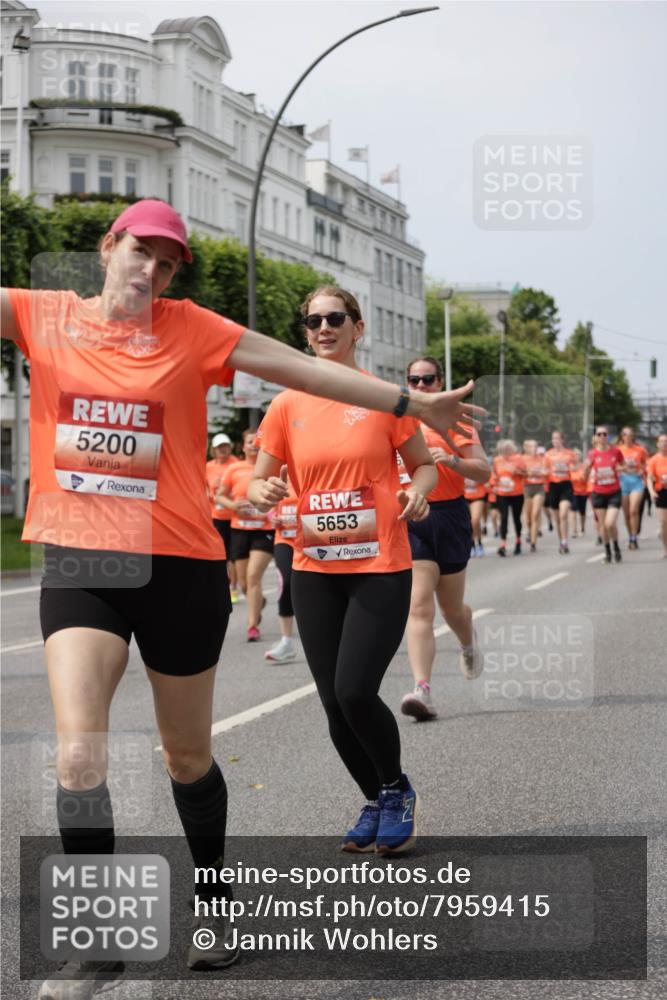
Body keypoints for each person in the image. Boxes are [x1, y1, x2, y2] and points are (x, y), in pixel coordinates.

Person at [0, 201, 481, 997]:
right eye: (139, 252)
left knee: (185, 755)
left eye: (166, 261)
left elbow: (300, 370)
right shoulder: (40, 315)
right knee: (78, 752)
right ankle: (97, 946)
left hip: (182, 567)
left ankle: (215, 903)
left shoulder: (190, 328)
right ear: (106, 248)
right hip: (85, 563)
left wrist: (406, 403)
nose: (150, 270)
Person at [248, 285, 440, 856]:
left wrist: (420, 494)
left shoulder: (386, 398)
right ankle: (379, 795)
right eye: (313, 320)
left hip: (380, 563)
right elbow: (260, 477)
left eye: (335, 318)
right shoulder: (287, 404)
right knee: (332, 700)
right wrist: (265, 488)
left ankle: (396, 790)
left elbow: (423, 467)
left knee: (356, 689)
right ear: (305, 331)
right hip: (314, 565)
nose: (323, 327)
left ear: (359, 327)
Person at [399, 356, 490, 722]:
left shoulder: (454, 421)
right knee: (419, 606)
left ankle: (468, 643)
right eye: (414, 380)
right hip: (411, 516)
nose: (421, 386)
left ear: (440, 382)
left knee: (452, 609)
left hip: (450, 517)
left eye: (428, 379)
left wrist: (450, 461)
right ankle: (423, 690)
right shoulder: (396, 419)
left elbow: (483, 471)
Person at [217, 429, 274, 641]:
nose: (254, 446)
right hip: (239, 529)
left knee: (253, 576)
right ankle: (257, 600)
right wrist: (233, 505)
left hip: (264, 531)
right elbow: (220, 495)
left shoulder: (272, 468)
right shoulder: (235, 468)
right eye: (251, 442)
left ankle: (252, 626)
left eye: (258, 442)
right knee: (243, 583)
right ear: (244, 446)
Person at [265, 476, 299, 662]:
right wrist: (273, 518)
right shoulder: (280, 477)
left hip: (310, 539)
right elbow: (268, 506)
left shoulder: (310, 472)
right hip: (284, 539)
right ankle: (286, 641)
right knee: (285, 582)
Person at [583, 426, 626, 563]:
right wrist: (586, 469)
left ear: (608, 436)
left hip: (614, 491)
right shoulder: (592, 454)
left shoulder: (615, 452)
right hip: (598, 492)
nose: (602, 436)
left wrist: (620, 468)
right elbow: (585, 473)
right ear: (595, 437)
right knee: (602, 524)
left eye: (604, 434)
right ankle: (608, 552)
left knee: (609, 523)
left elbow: (624, 465)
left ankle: (616, 547)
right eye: (599, 434)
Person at [206, 432, 239, 602]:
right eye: (220, 447)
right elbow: (203, 488)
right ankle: (224, 586)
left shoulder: (236, 465)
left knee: (232, 556)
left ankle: (233, 588)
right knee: (221, 554)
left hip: (234, 516)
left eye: (226, 446)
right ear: (214, 450)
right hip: (216, 517)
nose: (223, 450)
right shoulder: (208, 467)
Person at [493, 440, 526, 556]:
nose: (505, 453)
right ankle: (503, 545)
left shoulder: (518, 459)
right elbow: (495, 474)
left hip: (516, 493)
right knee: (504, 518)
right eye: (502, 450)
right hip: (502, 494)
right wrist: (494, 484)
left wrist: (516, 471)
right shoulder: (497, 460)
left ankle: (518, 541)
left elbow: (526, 474)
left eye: (507, 450)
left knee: (516, 518)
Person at [617, 427, 648, 549]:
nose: (627, 437)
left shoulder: (640, 450)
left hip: (636, 481)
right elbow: (615, 467)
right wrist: (623, 468)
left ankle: (634, 538)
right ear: (622, 436)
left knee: (633, 510)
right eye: (625, 434)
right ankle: (630, 535)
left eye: (629, 434)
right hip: (623, 481)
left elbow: (647, 464)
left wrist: (642, 470)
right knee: (626, 514)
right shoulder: (618, 450)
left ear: (633, 436)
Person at [545, 430, 575, 554]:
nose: (555, 441)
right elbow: (545, 470)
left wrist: (571, 468)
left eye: (557, 438)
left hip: (566, 485)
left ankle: (564, 541)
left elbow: (573, 467)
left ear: (562, 440)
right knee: (557, 518)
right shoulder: (548, 455)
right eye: (553, 439)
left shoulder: (569, 454)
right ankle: (561, 540)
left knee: (563, 515)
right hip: (553, 486)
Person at [522, 438, 547, 552]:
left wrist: (540, 472)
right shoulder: (522, 459)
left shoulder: (542, 459)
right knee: (528, 518)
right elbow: (518, 472)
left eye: (536, 446)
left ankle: (533, 542)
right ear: (526, 448)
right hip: (526, 488)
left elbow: (547, 471)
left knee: (535, 514)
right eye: (532, 446)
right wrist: (527, 473)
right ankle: (529, 531)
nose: (535, 449)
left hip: (539, 487)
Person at [647, 433, 667, 558]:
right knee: (663, 522)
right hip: (661, 492)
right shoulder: (654, 460)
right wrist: (651, 492)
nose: (664, 443)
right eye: (662, 441)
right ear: (657, 444)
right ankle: (666, 549)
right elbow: (649, 478)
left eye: (666, 441)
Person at [569, 448, 590, 538]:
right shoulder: (569, 467)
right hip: (573, 492)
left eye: (577, 455)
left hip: (583, 492)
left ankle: (582, 528)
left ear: (580, 457)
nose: (575, 457)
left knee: (582, 511)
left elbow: (587, 478)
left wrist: (583, 478)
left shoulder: (583, 466)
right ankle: (574, 530)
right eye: (574, 455)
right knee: (573, 510)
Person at [464, 475, 487, 556]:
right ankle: (472, 544)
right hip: (464, 496)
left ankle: (479, 543)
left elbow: (486, 477)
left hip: (478, 495)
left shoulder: (476, 462)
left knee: (475, 520)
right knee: (468, 522)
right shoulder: (457, 462)